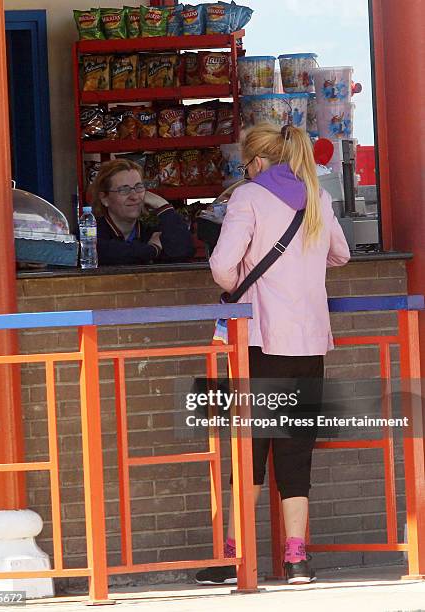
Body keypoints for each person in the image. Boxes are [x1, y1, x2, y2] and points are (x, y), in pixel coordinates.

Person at [195, 123, 350, 586]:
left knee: (249, 450)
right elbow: (341, 255)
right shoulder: (316, 196)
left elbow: (223, 269)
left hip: (259, 341)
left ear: (256, 161)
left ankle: (234, 556)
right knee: (296, 451)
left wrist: (250, 274)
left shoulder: (247, 197)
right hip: (309, 343)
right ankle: (297, 559)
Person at [90, 159, 194, 265]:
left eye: (139, 187)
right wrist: (153, 249)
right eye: (124, 190)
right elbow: (108, 254)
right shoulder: (88, 232)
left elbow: (184, 253)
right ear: (104, 198)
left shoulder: (151, 231)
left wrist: (162, 205)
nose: (134, 196)